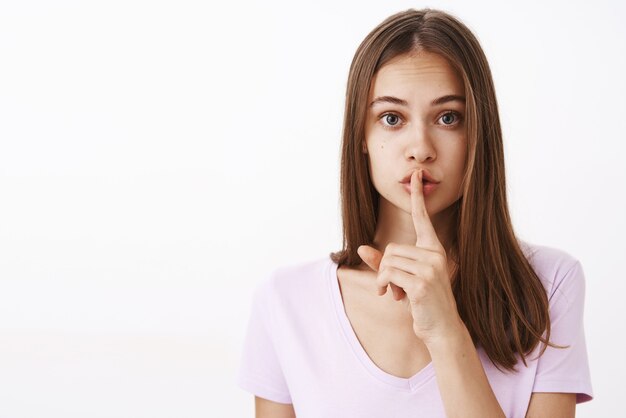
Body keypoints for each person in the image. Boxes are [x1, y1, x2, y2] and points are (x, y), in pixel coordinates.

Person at [236, 8, 593, 418]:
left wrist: (446, 332)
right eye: (392, 118)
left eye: (448, 118)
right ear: (361, 137)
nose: (420, 147)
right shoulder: (285, 301)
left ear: (479, 132)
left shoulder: (548, 285)